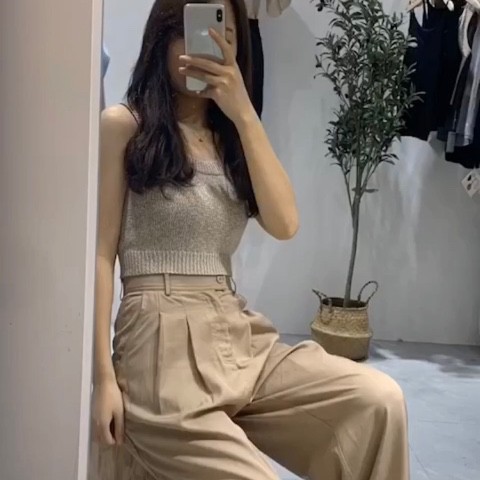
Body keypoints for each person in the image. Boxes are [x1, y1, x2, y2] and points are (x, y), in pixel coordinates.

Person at [91, 1, 410, 479]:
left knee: (379, 401)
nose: (203, 44)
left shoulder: (233, 139)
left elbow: (285, 223)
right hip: (156, 345)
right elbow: (99, 256)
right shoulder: (125, 126)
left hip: (234, 332)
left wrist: (243, 114)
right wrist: (102, 379)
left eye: (223, 33)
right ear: (161, 37)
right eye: (187, 28)